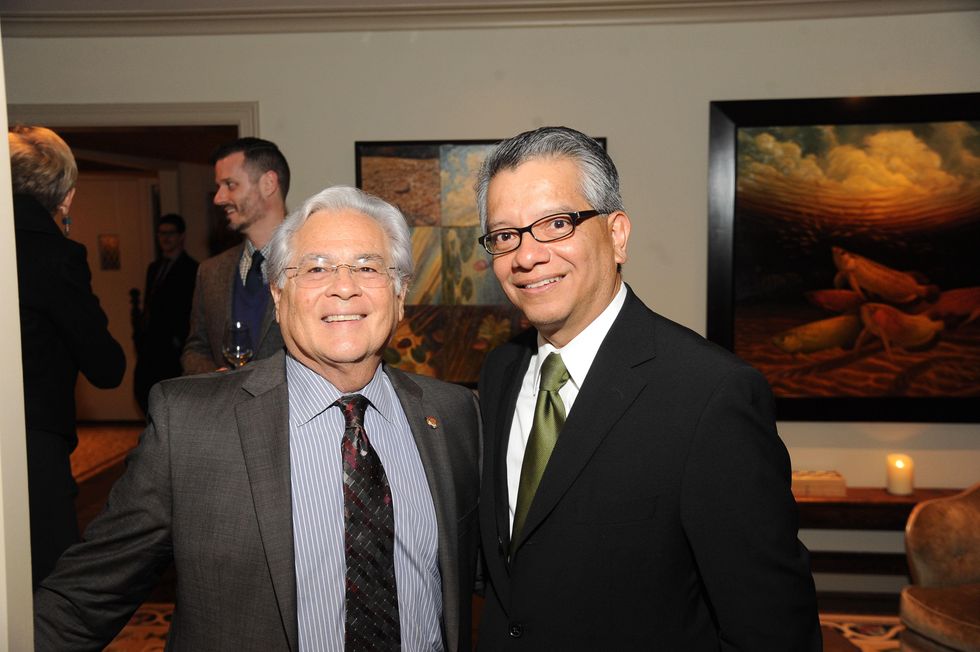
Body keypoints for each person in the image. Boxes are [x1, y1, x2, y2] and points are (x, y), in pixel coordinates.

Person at [35, 185, 482, 651]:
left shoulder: (453, 416)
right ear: (277, 291)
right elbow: (84, 598)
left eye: (368, 267)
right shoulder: (190, 424)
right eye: (316, 268)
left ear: (400, 292)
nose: (344, 286)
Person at [474, 126, 821, 650]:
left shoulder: (710, 394)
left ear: (617, 236)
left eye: (556, 223)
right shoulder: (500, 373)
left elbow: (773, 630)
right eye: (505, 235)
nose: (526, 256)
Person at [9, 125, 126, 588]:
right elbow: (106, 367)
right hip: (32, 444)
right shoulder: (52, 255)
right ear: (67, 195)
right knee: (51, 585)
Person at [181, 137, 288, 374]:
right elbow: (195, 349)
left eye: (230, 185)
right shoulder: (210, 271)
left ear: (269, 183)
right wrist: (216, 379)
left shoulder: (314, 265)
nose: (218, 198)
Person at [133, 213, 198, 414]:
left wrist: (179, 340)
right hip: (150, 346)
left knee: (170, 401)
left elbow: (191, 310)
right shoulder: (154, 268)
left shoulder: (193, 269)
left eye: (170, 233)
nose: (165, 238)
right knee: (144, 393)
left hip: (173, 349)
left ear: (181, 236)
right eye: (161, 233)